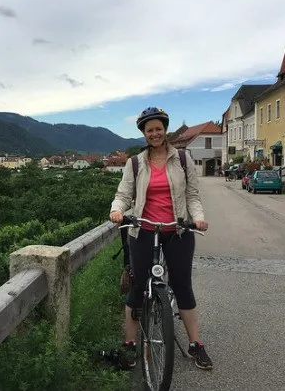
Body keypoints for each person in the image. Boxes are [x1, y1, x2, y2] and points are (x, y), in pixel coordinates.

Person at [109, 106, 213, 370]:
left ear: (165, 129)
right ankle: (131, 344)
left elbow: (192, 196)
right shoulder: (135, 163)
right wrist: (117, 209)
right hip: (143, 229)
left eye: (158, 128)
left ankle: (195, 344)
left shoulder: (182, 159)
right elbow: (124, 194)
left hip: (176, 230)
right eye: (149, 130)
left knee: (182, 286)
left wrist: (198, 218)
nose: (154, 133)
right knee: (138, 286)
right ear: (144, 133)